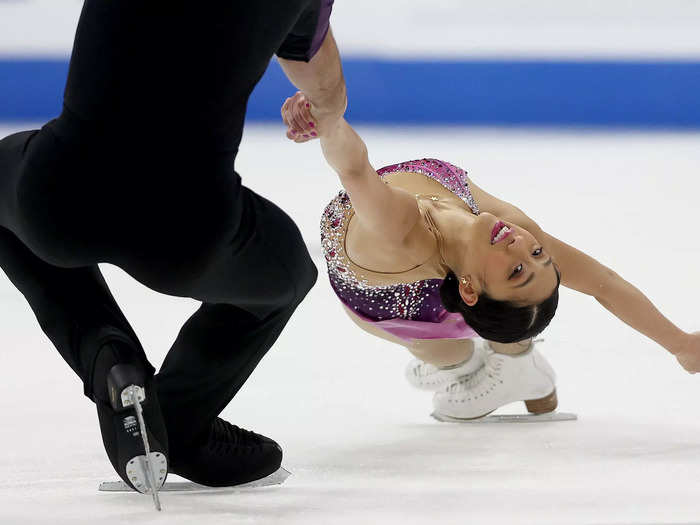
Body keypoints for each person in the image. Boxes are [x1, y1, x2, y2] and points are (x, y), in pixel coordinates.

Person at [0, 0, 345, 494]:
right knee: (288, 274)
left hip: (62, 194)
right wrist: (326, 108)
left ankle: (105, 353)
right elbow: (324, 88)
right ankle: (180, 420)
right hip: (186, 229)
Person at [281, 91, 700, 420]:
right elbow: (603, 283)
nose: (525, 246)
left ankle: (510, 364)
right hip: (418, 293)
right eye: (539, 254)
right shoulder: (511, 230)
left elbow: (354, 169)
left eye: (519, 269)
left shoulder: (402, 230)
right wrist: (680, 344)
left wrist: (327, 115)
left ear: (468, 286)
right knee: (474, 343)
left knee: (476, 337)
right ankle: (496, 364)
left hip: (396, 304)